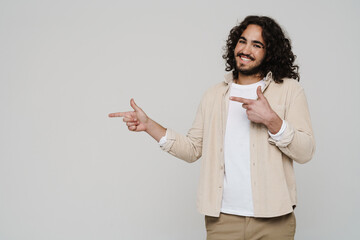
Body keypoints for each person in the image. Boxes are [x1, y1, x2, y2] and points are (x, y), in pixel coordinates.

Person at [109, 15, 315, 240]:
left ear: (270, 52)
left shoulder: (289, 91)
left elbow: (305, 152)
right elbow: (192, 149)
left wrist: (272, 121)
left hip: (275, 219)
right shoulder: (213, 96)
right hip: (222, 220)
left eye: (257, 45)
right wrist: (149, 126)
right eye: (242, 41)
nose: (246, 49)